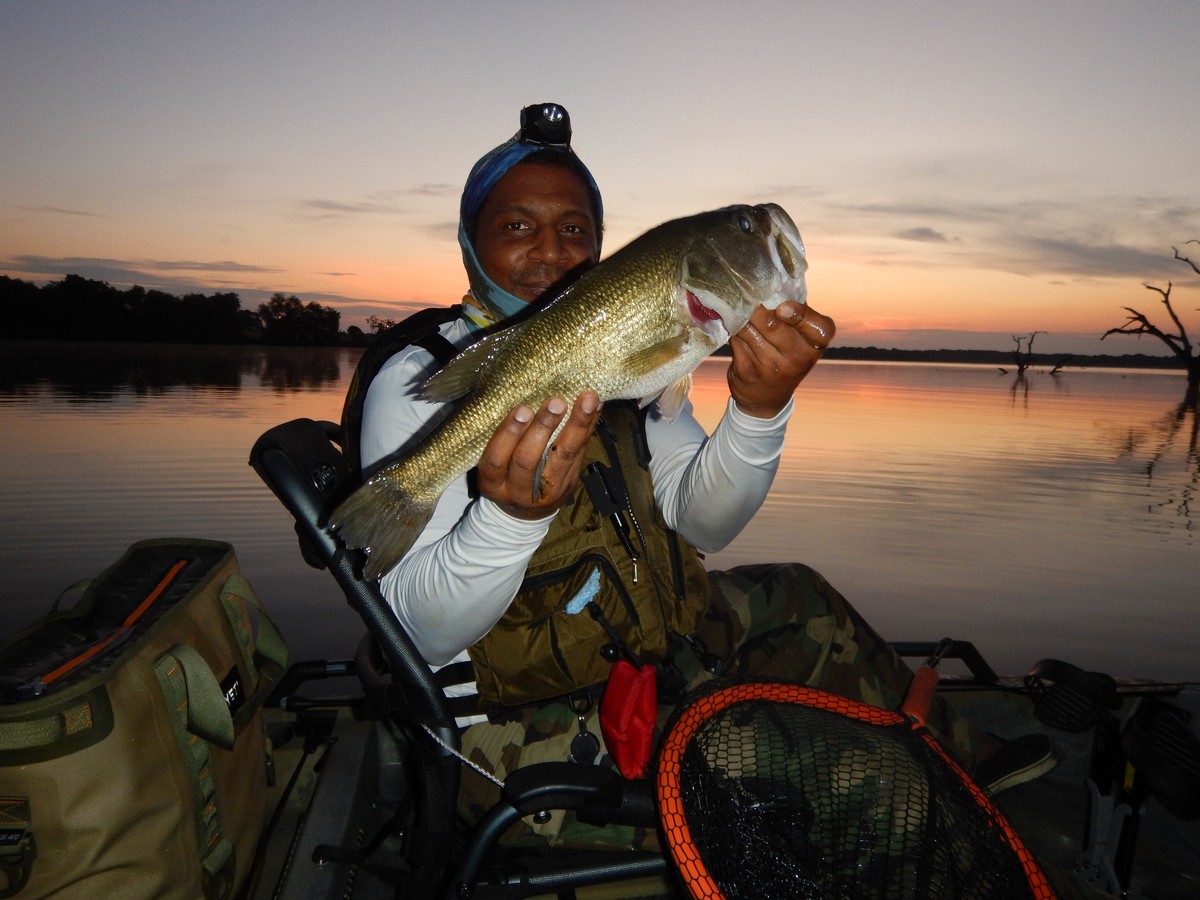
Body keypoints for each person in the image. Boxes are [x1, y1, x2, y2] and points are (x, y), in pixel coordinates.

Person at [355, 102, 1056, 848]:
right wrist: (507, 520)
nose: (551, 252)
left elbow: (702, 522)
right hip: (513, 729)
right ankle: (919, 797)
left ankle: (953, 746)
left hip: (633, 648)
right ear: (471, 241)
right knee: (870, 783)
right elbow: (418, 638)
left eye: (575, 230)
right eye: (517, 226)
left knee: (799, 593)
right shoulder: (419, 378)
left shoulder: (633, 360)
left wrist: (759, 411)